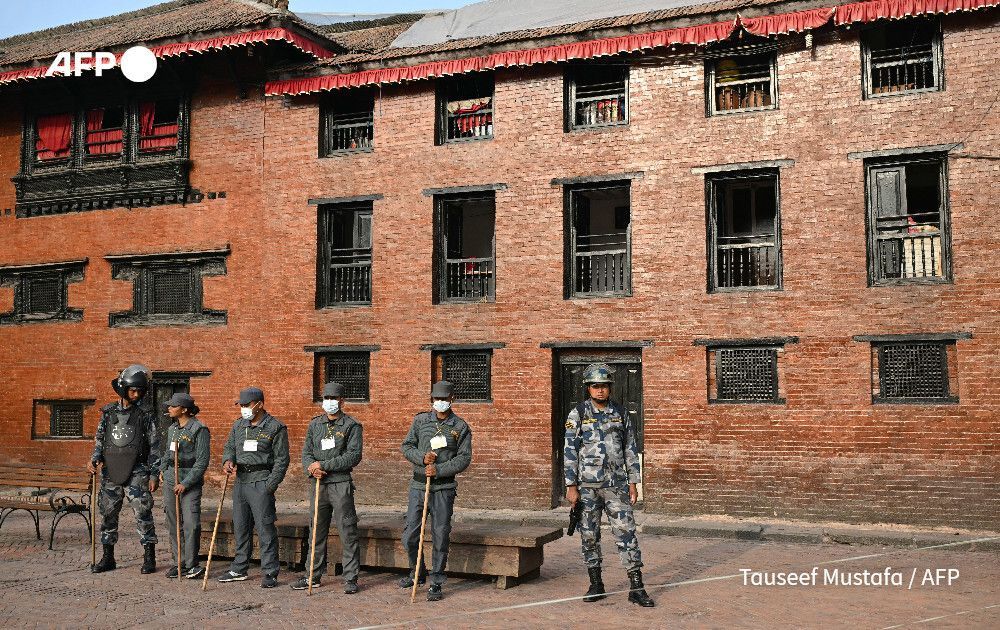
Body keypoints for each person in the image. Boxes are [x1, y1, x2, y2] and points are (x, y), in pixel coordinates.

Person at [564, 363, 654, 607]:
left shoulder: (621, 413)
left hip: (617, 486)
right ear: (588, 388)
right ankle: (596, 584)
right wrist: (571, 486)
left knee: (627, 533)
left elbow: (630, 449)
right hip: (587, 487)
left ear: (609, 388)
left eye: (604, 386)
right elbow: (570, 451)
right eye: (595, 386)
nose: (600, 390)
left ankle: (636, 586)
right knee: (589, 536)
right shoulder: (578, 414)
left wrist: (634, 482)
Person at [399, 380, 472, 601]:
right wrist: (422, 458)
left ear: (452, 399)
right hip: (418, 487)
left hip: (443, 488)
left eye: (443, 399)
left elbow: (464, 458)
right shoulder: (420, 421)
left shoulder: (460, 427)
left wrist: (438, 469)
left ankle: (437, 580)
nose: (439, 403)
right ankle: (417, 571)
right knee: (410, 534)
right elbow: (407, 446)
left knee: (440, 535)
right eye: (435, 399)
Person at [291, 382, 363, 594]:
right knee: (316, 531)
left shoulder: (351, 425)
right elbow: (306, 453)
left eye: (334, 398)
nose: (329, 402)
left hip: (340, 483)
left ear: (342, 401)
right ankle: (312, 575)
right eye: (326, 398)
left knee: (347, 530)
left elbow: (353, 456)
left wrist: (324, 465)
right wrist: (311, 469)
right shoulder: (315, 424)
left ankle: (351, 577)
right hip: (318, 484)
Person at [88, 364, 160, 575]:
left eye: (139, 391)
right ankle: (108, 557)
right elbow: (100, 440)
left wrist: (154, 473)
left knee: (142, 513)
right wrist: (94, 459)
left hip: (137, 470)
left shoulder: (146, 414)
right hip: (110, 469)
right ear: (123, 389)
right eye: (132, 390)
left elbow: (155, 446)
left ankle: (149, 557)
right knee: (108, 514)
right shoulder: (108, 412)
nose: (136, 394)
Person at [217, 387, 290, 588]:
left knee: (265, 528)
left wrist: (270, 486)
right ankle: (239, 567)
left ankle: (270, 571)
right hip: (240, 481)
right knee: (240, 527)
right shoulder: (238, 425)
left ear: (259, 404)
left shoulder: (275, 427)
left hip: (261, 480)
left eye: (246, 405)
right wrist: (227, 461)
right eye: (241, 405)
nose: (243, 409)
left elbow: (282, 460)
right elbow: (229, 447)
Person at [160, 392, 210, 579]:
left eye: (173, 406)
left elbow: (202, 461)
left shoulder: (199, 429)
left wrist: (186, 483)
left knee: (191, 523)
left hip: (190, 482)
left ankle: (192, 564)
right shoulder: (172, 429)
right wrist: (162, 470)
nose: (169, 409)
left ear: (185, 409)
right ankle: (178, 561)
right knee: (173, 523)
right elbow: (167, 453)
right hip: (171, 480)